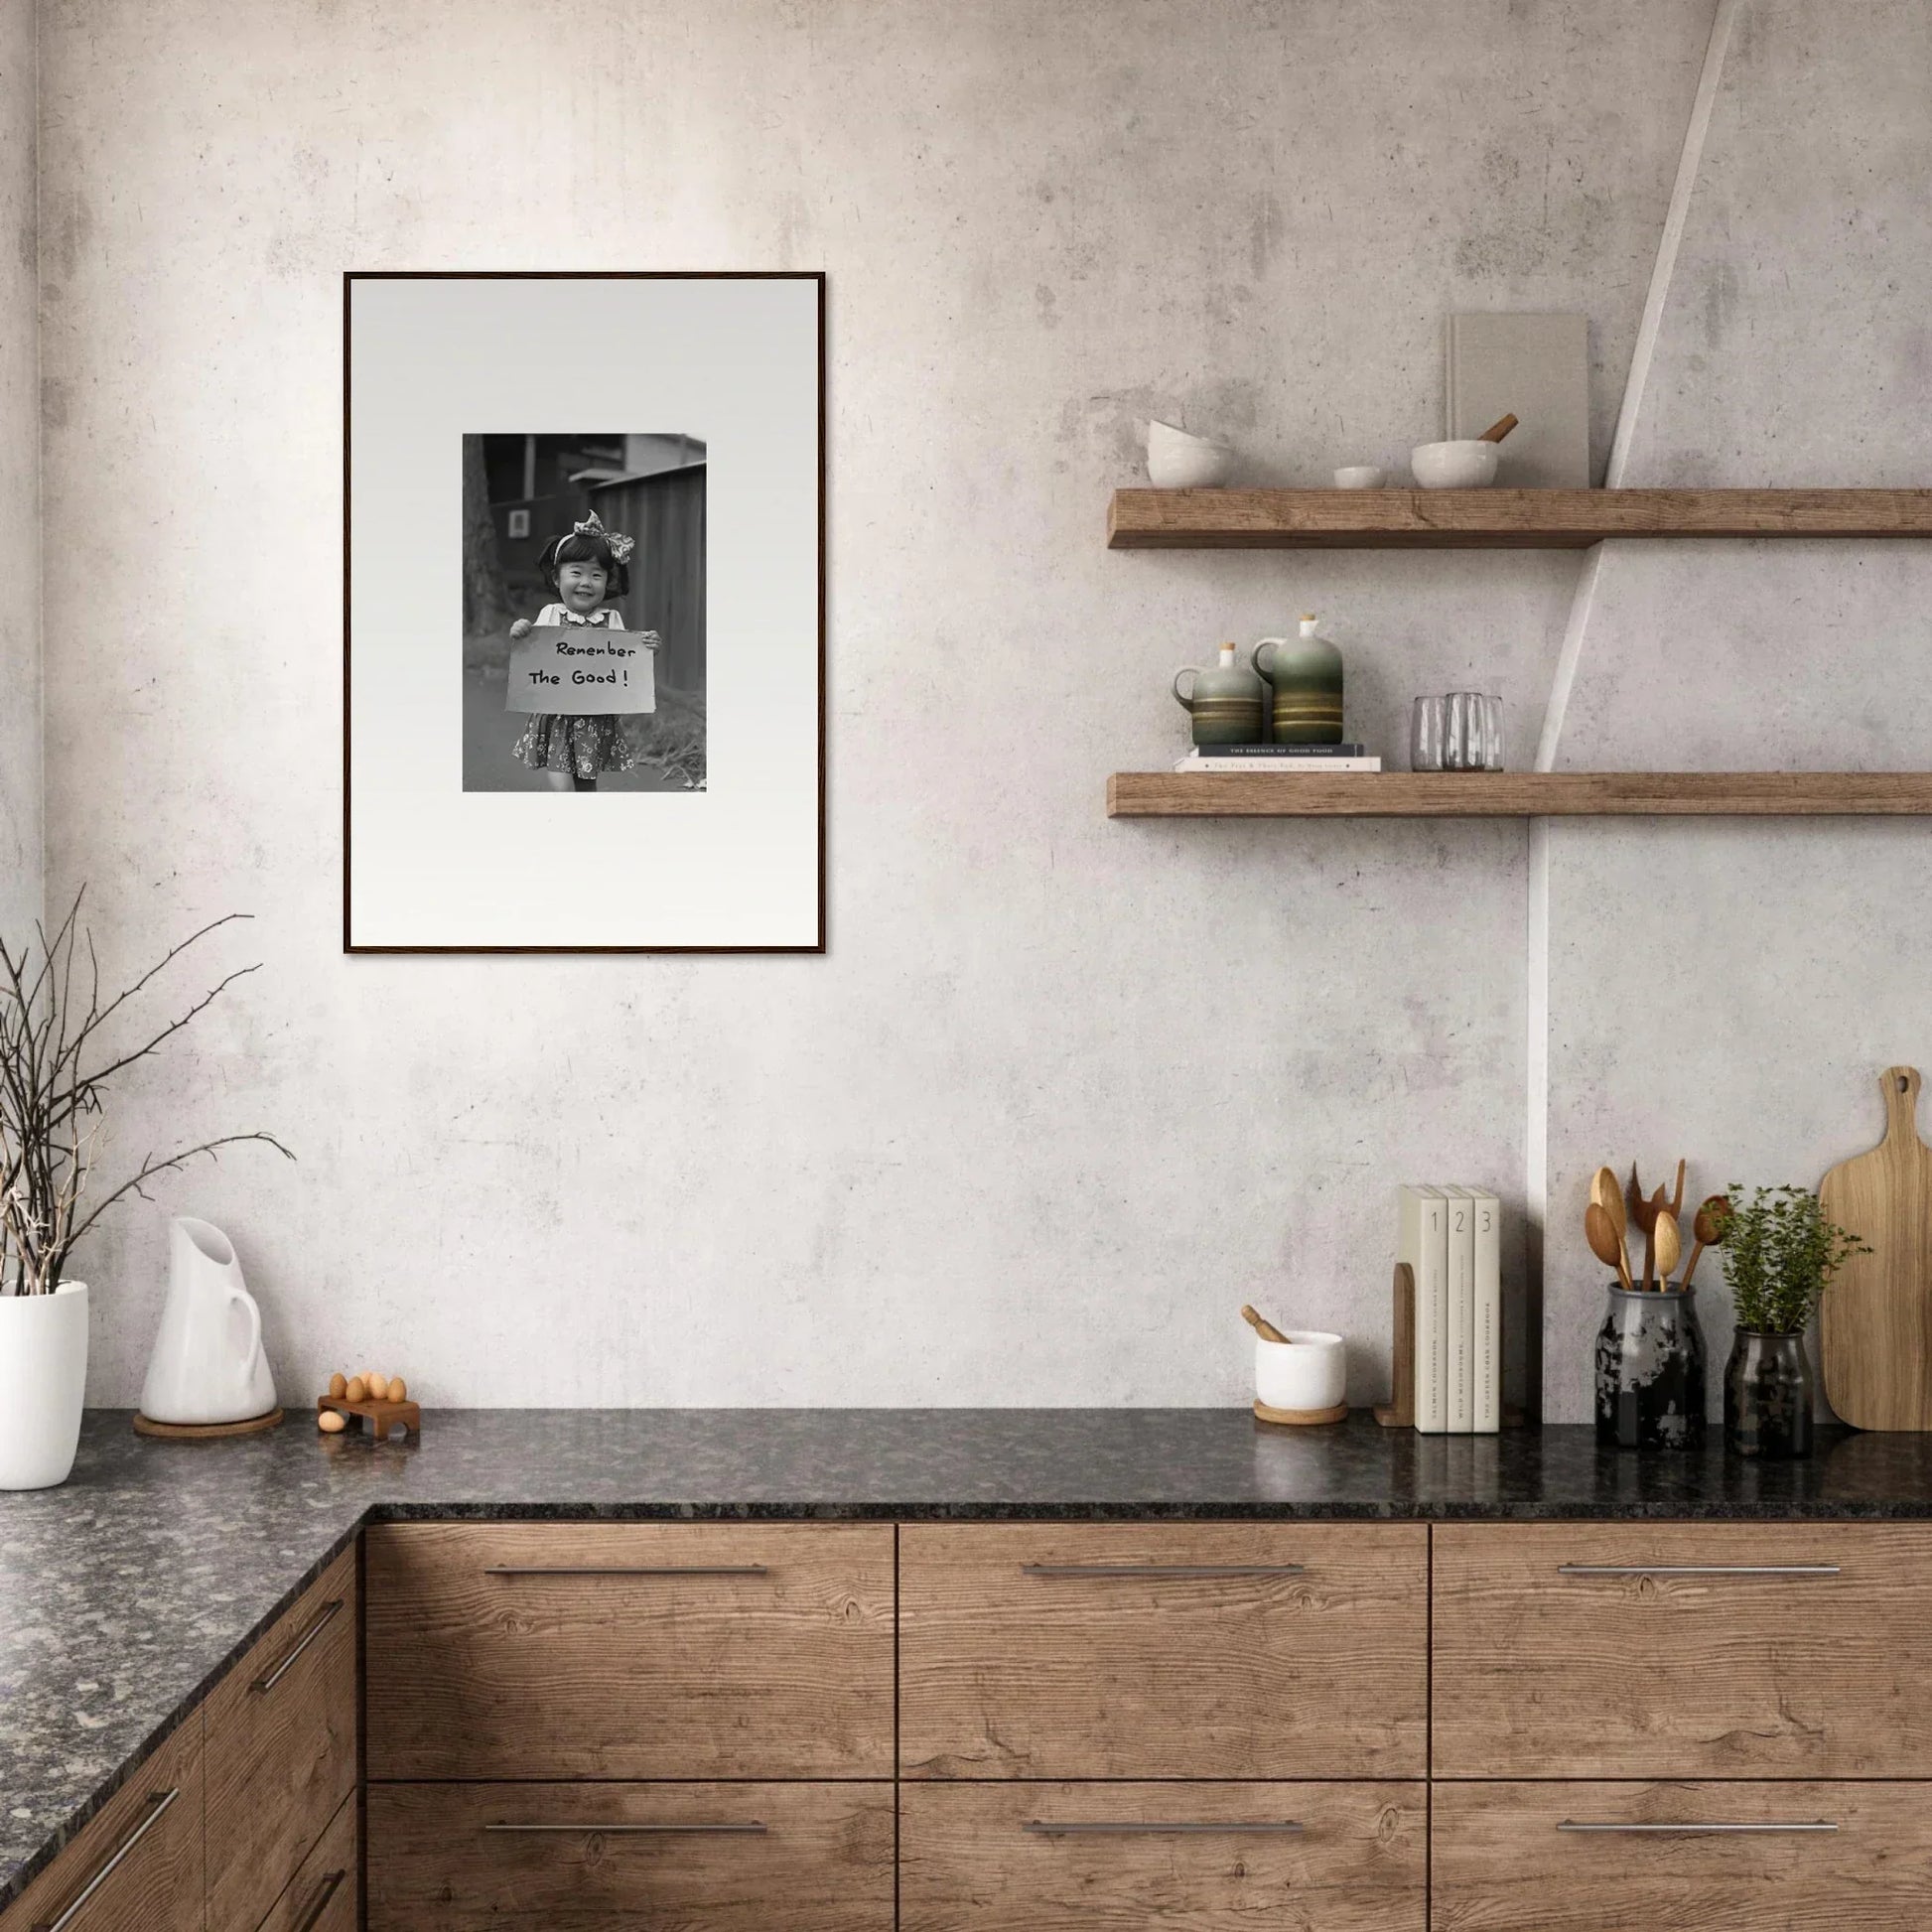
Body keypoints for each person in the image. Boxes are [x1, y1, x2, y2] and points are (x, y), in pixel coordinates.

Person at [509, 510, 660, 792]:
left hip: (594, 714)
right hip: (556, 713)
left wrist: (648, 647)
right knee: (563, 782)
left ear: (607, 581)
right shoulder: (551, 614)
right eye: (576, 572)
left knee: (587, 781)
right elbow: (532, 650)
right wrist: (519, 631)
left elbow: (624, 662)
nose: (586, 582)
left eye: (596, 575)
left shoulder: (611, 620)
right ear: (557, 578)